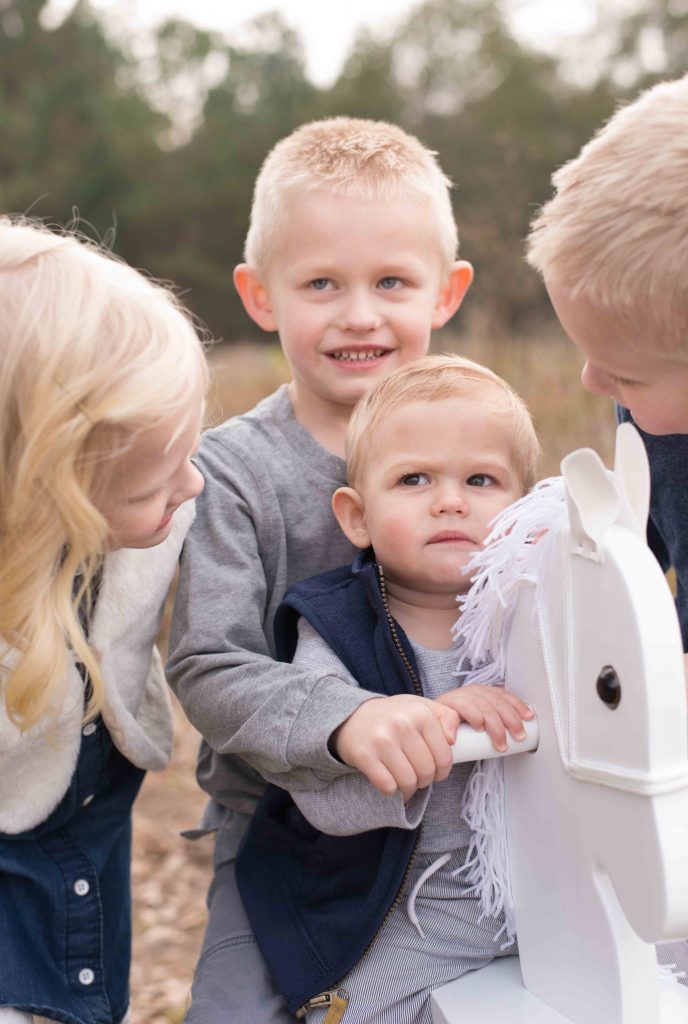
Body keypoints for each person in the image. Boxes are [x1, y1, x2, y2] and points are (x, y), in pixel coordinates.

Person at [166, 117, 473, 1023]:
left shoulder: (480, 438)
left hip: (466, 816)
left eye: (391, 282)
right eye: (321, 284)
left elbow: (539, 595)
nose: (359, 314)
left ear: (445, 292)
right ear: (260, 296)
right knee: (238, 1010)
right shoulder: (232, 473)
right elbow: (206, 664)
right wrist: (347, 720)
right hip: (284, 834)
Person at [233, 355, 534, 1020]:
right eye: (414, 478)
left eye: (481, 479)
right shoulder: (337, 630)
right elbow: (328, 802)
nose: (450, 499)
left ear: (525, 508)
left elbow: (615, 685)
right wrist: (427, 720)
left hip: (550, 897)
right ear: (356, 516)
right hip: (404, 913)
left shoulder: (546, 609)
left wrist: (658, 668)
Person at [525, 68, 688, 994]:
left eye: (628, 373)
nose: (596, 384)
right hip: (682, 763)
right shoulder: (657, 411)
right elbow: (633, 558)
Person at [0, 217, 208, 1024]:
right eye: (154, 483)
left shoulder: (156, 503)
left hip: (88, 842)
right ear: (47, 495)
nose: (190, 486)